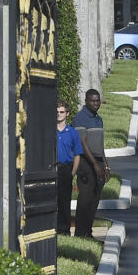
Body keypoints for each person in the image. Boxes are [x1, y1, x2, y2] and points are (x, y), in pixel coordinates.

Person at [73, 89, 109, 239]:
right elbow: (82, 143)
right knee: (85, 200)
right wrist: (94, 164)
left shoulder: (98, 119)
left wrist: (105, 166)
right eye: (92, 101)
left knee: (94, 200)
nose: (96, 103)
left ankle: (88, 232)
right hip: (86, 164)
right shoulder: (80, 118)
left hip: (98, 162)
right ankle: (80, 233)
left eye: (98, 100)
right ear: (86, 101)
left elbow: (100, 146)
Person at [55, 101, 83, 236]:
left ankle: (64, 230)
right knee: (52, 200)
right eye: (57, 112)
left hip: (66, 169)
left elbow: (77, 154)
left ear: (67, 114)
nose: (59, 114)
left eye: (61, 112)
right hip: (52, 169)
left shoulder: (72, 132)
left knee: (64, 201)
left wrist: (72, 172)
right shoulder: (50, 131)